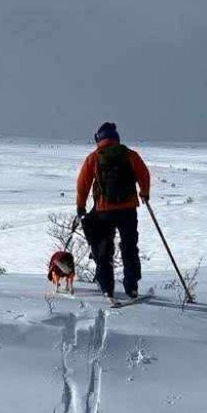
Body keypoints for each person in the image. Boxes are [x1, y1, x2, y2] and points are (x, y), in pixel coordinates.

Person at [76, 121, 151, 301]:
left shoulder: (94, 158)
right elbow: (144, 174)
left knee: (103, 250)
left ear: (98, 139)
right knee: (129, 248)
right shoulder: (130, 155)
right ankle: (131, 286)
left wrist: (80, 206)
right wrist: (144, 193)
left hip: (103, 211)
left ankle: (106, 288)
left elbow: (82, 183)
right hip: (128, 210)